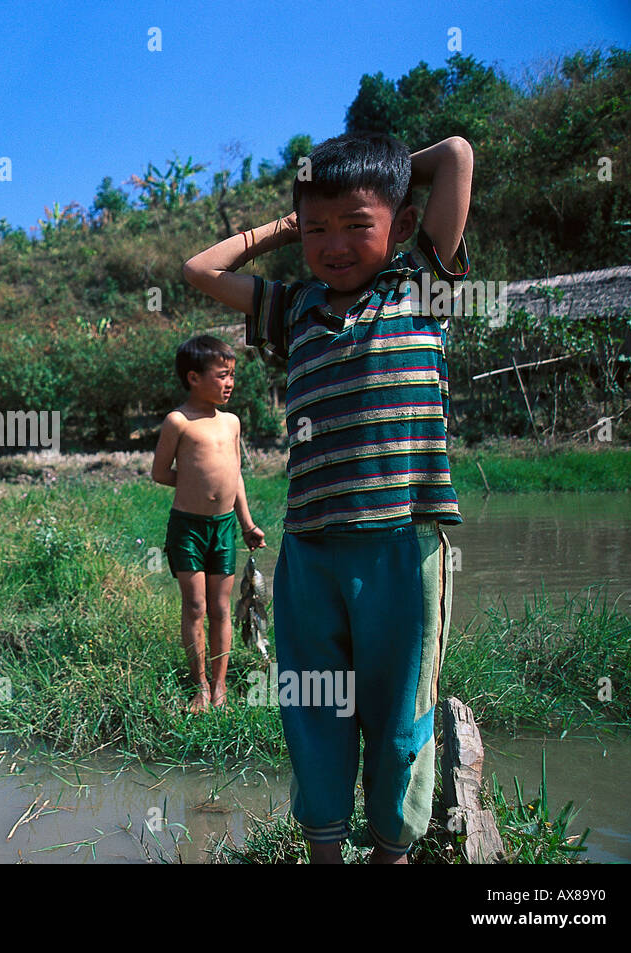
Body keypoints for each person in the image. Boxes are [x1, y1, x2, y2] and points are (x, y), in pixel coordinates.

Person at [183, 131, 473, 863]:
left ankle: (391, 850)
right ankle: (322, 851)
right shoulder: (295, 308)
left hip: (402, 546)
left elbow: (459, 156)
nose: (332, 244)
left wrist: (381, 175)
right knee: (313, 709)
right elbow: (200, 269)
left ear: (403, 225)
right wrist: (286, 223)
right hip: (310, 552)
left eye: (356, 223)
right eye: (317, 228)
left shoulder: (422, 287)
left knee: (401, 718)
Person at [152, 335, 265, 712]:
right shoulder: (178, 422)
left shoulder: (231, 423)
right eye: (221, 375)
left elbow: (235, 476)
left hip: (223, 529)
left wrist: (247, 524)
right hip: (188, 528)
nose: (229, 382)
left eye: (232, 375)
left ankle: (220, 688)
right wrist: (194, 485)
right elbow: (159, 472)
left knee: (221, 607)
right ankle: (199, 685)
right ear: (193, 377)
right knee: (196, 606)